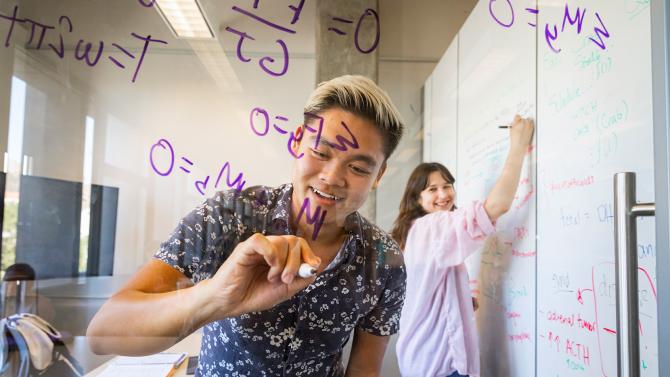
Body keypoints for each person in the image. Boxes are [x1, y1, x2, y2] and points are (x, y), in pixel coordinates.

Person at [86, 75, 407, 377]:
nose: (332, 177)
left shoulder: (383, 261)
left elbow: (364, 370)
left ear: (379, 175)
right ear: (297, 141)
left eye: (358, 168)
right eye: (320, 152)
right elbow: (104, 333)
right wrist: (215, 297)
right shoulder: (227, 217)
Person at [392, 115, 534, 377]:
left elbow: (422, 287)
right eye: (432, 189)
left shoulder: (413, 231)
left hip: (421, 361)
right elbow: (497, 206)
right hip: (440, 365)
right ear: (417, 198)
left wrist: (457, 300)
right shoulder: (432, 227)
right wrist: (518, 145)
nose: (443, 194)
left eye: (447, 186)